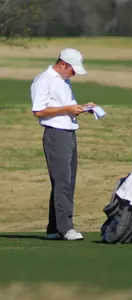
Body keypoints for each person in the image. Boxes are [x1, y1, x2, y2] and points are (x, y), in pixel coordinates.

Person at [30, 48, 95, 241]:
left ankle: (54, 228)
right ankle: (66, 228)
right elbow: (39, 111)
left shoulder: (64, 81)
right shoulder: (44, 80)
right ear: (63, 64)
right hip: (55, 135)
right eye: (72, 69)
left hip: (69, 132)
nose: (73, 73)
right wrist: (67, 108)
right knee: (63, 182)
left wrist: (81, 108)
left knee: (66, 181)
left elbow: (65, 107)